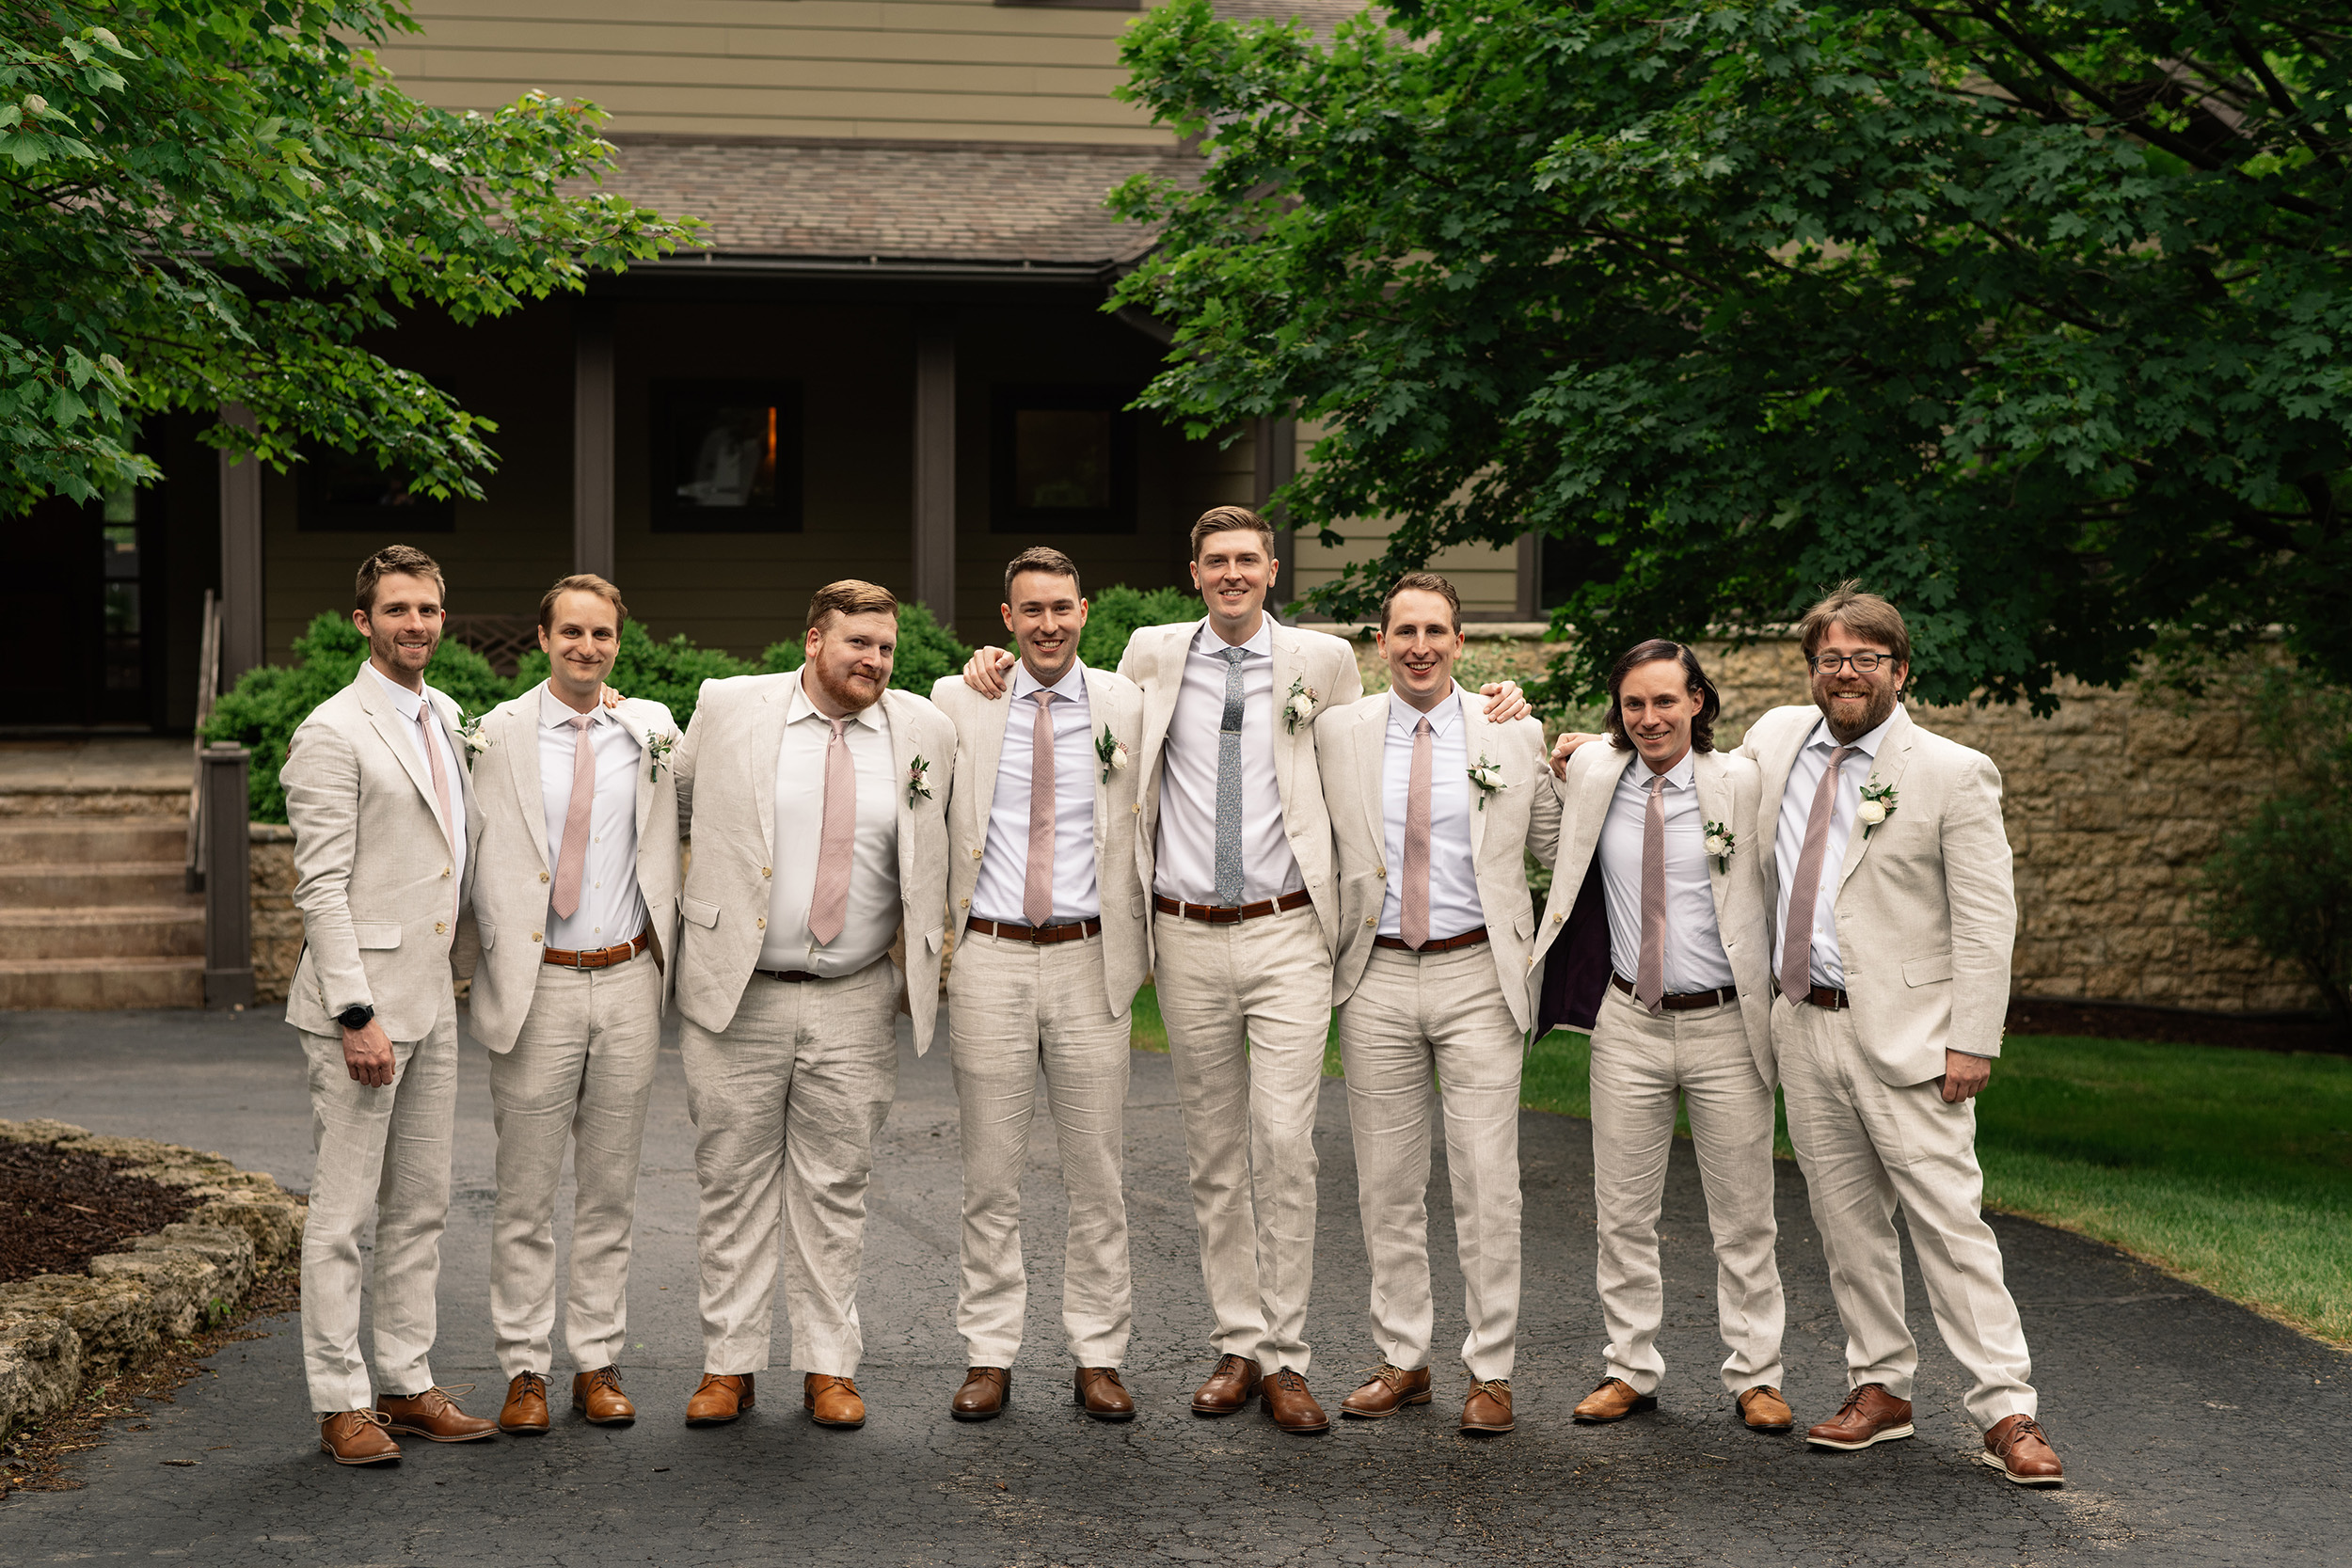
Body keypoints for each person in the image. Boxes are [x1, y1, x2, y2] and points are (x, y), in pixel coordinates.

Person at [961, 507, 1529, 1432]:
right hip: (1184, 931)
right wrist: (984, 665)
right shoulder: (1148, 654)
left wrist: (1502, 706)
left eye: (1246, 560)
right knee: (1215, 1155)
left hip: (1288, 930)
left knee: (1283, 1143)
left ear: (1271, 569)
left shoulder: (1322, 662)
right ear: (1194, 572)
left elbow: (1395, 724)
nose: (1231, 574)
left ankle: (1288, 1356)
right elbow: (1072, 696)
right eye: (1214, 560)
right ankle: (1239, 1343)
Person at [1552, 585, 2064, 1486]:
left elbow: (1988, 920)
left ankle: (2007, 1407)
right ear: (1812, 670)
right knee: (1846, 1224)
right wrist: (1580, 745)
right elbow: (1666, 759)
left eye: (1867, 658)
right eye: (1831, 658)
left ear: (1900, 670)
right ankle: (1881, 1388)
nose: (1847, 673)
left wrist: (1973, 1038)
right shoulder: (1778, 742)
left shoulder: (1953, 770)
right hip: (1797, 1025)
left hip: (1907, 1035)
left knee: (1950, 1225)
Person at [667, 580, 957, 1432]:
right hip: (740, 991)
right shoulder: (727, 708)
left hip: (857, 994)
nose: (874, 660)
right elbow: (672, 803)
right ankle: (730, 1366)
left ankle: (830, 1366)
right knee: (731, 1185)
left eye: (886, 648)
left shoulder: (924, 732)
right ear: (812, 641)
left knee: (838, 1187)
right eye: (857, 643)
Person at [1316, 572, 1558, 1435]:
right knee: (1386, 1181)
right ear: (1379, 642)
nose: (1420, 645)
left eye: (1437, 631)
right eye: (1404, 630)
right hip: (1374, 972)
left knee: (1489, 1182)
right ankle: (1403, 1358)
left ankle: (1490, 1369)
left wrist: (1566, 759)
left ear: (1461, 642)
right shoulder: (1337, 732)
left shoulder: (1510, 729)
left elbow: (1558, 843)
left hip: (1477, 975)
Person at [1534, 641, 1788, 1434]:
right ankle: (1630, 1367)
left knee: (1744, 1209)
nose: (1650, 718)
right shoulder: (1593, 775)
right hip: (1628, 1023)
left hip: (1723, 1022)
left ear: (1699, 703)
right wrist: (1560, 738)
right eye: (1634, 704)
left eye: (1666, 702)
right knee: (1623, 1208)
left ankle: (1756, 1374)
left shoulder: (1738, 783)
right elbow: (1543, 776)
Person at [282, 544, 493, 1465]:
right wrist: (354, 1012)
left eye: (429, 609)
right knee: (344, 1216)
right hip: (360, 1009)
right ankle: (340, 1398)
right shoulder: (332, 730)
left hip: (432, 996)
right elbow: (320, 887)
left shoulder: (445, 713)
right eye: (398, 609)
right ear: (363, 621)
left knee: (421, 1205)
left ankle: (406, 1381)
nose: (417, 623)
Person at [930, 548, 1150, 1423]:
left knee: (1098, 1169)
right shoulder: (960, 700)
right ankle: (990, 1352)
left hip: (1092, 955)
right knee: (991, 1169)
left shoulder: (1129, 703)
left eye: (1062, 608)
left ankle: (1099, 1353)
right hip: (989, 954)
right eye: (1032, 611)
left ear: (1085, 611)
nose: (1048, 624)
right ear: (1008, 619)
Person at [464, 575, 682, 1433]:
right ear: (542, 637)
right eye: (571, 633)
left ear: (618, 643)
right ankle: (525, 1366)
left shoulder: (653, 729)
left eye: (602, 634)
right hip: (537, 979)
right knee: (524, 1191)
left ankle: (597, 1360)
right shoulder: (495, 734)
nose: (586, 647)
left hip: (629, 975)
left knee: (609, 1188)